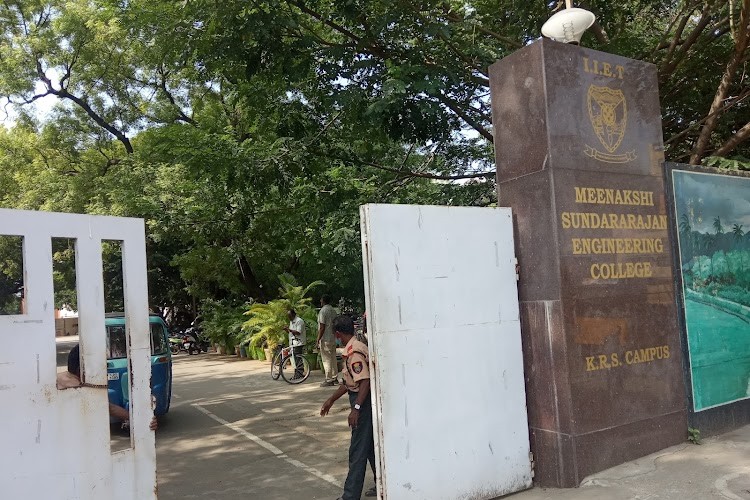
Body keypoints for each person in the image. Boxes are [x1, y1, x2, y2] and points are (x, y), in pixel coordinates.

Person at [320, 315, 376, 499]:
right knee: (368, 448)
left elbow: (365, 382)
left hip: (362, 402)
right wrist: (331, 399)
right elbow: (348, 381)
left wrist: (356, 409)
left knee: (357, 452)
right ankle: (384, 481)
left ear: (337, 334)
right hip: (359, 399)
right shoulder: (353, 348)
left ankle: (350, 496)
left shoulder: (354, 353)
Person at [57, 344, 158, 431]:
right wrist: (140, 420)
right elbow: (109, 407)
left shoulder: (61, 377)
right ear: (82, 370)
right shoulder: (75, 385)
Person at [316, 295, 338, 387]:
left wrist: (318, 339)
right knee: (333, 358)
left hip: (325, 338)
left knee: (326, 359)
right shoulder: (333, 310)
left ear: (323, 301)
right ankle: (335, 377)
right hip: (332, 337)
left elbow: (322, 327)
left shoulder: (322, 311)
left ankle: (329, 379)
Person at [284, 309, 306, 379]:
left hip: (298, 342)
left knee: (297, 358)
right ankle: (299, 373)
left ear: (293, 314)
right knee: (295, 359)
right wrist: (287, 330)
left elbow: (298, 332)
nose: (289, 318)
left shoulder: (299, 321)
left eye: (289, 316)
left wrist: (289, 330)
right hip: (293, 342)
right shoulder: (291, 321)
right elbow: (291, 333)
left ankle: (299, 374)